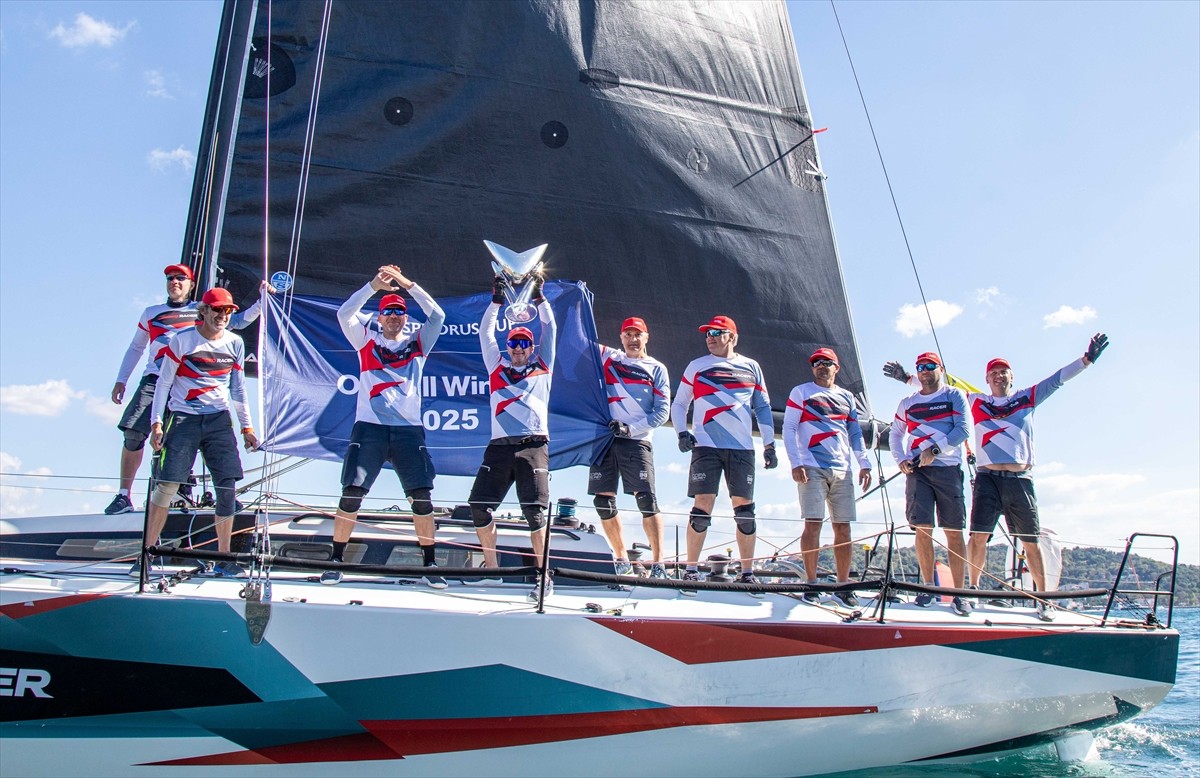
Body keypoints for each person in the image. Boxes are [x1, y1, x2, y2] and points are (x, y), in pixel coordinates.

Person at [963, 334, 1109, 621]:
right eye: (993, 372)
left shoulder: (1026, 397)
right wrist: (908, 378)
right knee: (978, 536)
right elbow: (942, 386)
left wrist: (1087, 360)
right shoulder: (976, 401)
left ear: (1010, 377)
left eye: (1003, 371)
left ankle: (1044, 599)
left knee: (1030, 540)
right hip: (987, 478)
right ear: (987, 378)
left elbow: (1056, 379)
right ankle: (972, 591)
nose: (998, 375)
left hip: (1020, 480)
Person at [322, 266, 446, 587]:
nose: (393, 316)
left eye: (399, 312)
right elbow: (344, 313)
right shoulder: (365, 340)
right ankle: (335, 559)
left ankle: (430, 565)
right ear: (379, 317)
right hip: (370, 428)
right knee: (352, 493)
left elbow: (438, 316)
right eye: (388, 311)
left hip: (408, 430)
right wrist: (372, 287)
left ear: (405, 318)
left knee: (421, 498)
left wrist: (407, 284)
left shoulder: (419, 342)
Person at [107, 264, 260, 515]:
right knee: (134, 433)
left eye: (181, 278)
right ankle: (124, 496)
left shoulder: (206, 309)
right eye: (170, 278)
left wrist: (264, 300)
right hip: (156, 378)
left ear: (191, 283)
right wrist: (121, 379)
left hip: (190, 382)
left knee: (195, 433)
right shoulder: (151, 313)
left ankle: (212, 495)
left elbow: (239, 322)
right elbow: (136, 347)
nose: (174, 282)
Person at [137, 287, 258, 577]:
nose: (222, 316)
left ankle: (224, 558)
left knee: (227, 487)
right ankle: (146, 555)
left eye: (228, 311)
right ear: (202, 311)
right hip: (183, 419)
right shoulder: (182, 341)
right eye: (217, 310)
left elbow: (238, 388)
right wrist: (156, 423)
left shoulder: (235, 343)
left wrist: (247, 427)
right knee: (166, 486)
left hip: (218, 420)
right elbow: (163, 383)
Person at [671, 315, 776, 593]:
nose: (710, 337)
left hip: (741, 448)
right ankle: (691, 571)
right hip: (706, 446)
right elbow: (680, 403)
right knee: (702, 507)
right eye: (707, 333)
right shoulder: (697, 366)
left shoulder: (751, 366)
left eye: (717, 332)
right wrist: (681, 432)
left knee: (744, 512)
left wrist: (769, 444)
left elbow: (762, 407)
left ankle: (747, 573)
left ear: (732, 336)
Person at [468, 271, 557, 599]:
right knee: (479, 507)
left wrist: (539, 297)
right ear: (508, 346)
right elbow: (484, 332)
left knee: (534, 512)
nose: (518, 348)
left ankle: (543, 577)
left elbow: (551, 328)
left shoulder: (543, 365)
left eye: (524, 343)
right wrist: (496, 300)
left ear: (531, 347)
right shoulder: (496, 367)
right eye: (514, 343)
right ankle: (492, 571)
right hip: (499, 447)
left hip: (533, 445)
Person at [782, 348, 872, 607]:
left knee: (843, 527)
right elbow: (789, 428)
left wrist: (864, 463)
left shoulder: (847, 397)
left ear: (837, 368)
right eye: (816, 363)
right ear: (812, 369)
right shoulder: (801, 392)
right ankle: (811, 584)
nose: (821, 366)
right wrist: (796, 462)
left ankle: (843, 586)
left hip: (842, 469)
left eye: (827, 363)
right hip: (811, 466)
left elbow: (854, 433)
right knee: (813, 524)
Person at [889, 352, 972, 615]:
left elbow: (963, 430)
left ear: (941, 369)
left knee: (953, 531)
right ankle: (927, 587)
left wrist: (934, 450)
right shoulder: (907, 402)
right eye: (920, 367)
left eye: (930, 367)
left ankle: (959, 593)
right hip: (918, 473)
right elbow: (896, 433)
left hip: (947, 469)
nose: (925, 371)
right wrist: (901, 459)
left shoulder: (954, 395)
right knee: (922, 529)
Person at [590, 317, 671, 580]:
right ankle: (621, 557)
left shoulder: (657, 368)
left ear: (646, 337)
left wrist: (630, 429)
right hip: (604, 439)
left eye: (638, 335)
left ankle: (659, 563)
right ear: (621, 337)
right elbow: (578, 340)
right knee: (603, 501)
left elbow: (663, 411)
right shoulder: (610, 358)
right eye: (628, 334)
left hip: (637, 441)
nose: (633, 340)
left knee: (647, 500)